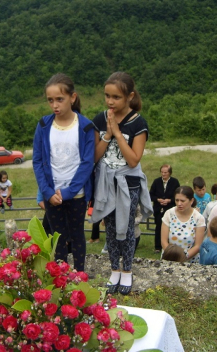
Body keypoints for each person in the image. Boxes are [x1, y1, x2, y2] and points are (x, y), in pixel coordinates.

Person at [91, 71, 152, 295]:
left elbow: (134, 158)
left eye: (116, 97)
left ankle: (127, 270)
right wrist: (107, 134)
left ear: (129, 97)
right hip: (106, 182)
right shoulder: (101, 118)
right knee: (110, 227)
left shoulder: (138, 123)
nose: (110, 101)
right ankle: (114, 268)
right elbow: (95, 156)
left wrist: (117, 133)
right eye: (107, 96)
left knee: (126, 227)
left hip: (128, 182)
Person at [33, 73, 95, 272]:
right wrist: (47, 192)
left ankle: (79, 277)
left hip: (76, 194)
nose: (54, 105)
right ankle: (61, 279)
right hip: (52, 195)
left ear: (72, 97)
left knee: (77, 235)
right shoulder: (43, 126)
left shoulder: (85, 126)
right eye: (50, 100)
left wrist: (69, 191)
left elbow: (87, 163)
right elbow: (38, 161)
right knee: (57, 237)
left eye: (60, 99)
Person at [161, 186, 206, 263]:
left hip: (189, 260)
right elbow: (164, 240)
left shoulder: (198, 218)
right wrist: (171, 256)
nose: (179, 204)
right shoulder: (169, 214)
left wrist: (183, 257)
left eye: (182, 201)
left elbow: (198, 245)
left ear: (191, 201)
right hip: (169, 258)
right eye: (177, 200)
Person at [149, 164, 180, 253]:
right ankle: (158, 247)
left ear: (169, 173)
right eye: (162, 172)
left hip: (170, 208)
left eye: (165, 172)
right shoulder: (156, 182)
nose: (163, 174)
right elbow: (151, 195)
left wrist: (169, 200)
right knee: (159, 227)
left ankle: (170, 245)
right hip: (159, 209)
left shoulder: (175, 182)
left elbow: (178, 195)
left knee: (171, 227)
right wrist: (158, 200)